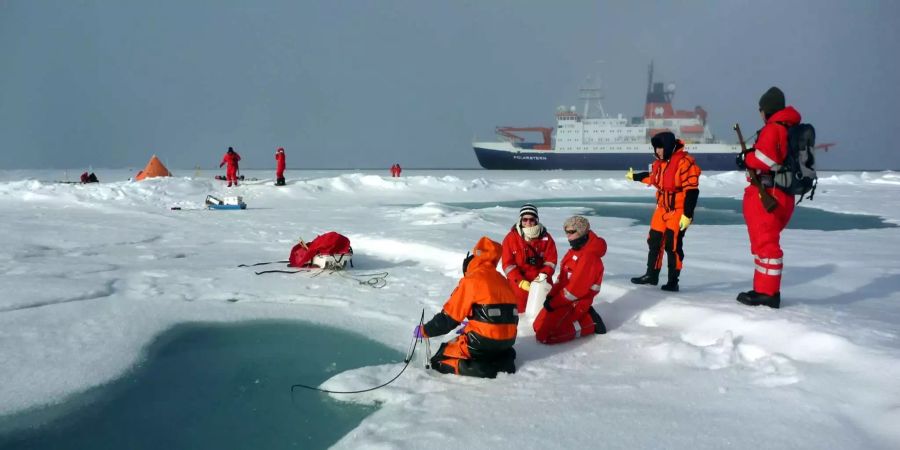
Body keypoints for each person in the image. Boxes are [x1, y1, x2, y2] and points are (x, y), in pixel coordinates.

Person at [734, 87, 802, 309]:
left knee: (766, 245)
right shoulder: (790, 128)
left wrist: (746, 158)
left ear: (766, 110)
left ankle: (767, 294)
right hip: (783, 195)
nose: (760, 114)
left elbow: (765, 159)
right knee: (765, 243)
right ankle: (763, 289)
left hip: (768, 195)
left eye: (761, 110)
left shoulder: (774, 129)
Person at [414, 236, 518, 378]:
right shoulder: (502, 280)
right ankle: (503, 361)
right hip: (508, 341)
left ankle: (481, 369)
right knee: (493, 350)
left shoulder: (471, 280)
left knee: (439, 357)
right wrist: (473, 321)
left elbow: (448, 319)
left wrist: (425, 330)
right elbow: (500, 311)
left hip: (481, 342)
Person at [626, 131, 701, 292]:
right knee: (653, 241)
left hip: (678, 210)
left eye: (660, 147)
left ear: (668, 146)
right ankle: (651, 275)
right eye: (655, 148)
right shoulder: (660, 164)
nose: (657, 151)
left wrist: (687, 215)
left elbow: (692, 191)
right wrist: (635, 177)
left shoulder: (685, 163)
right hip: (662, 209)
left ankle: (673, 281)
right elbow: (652, 177)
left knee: (672, 245)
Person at [533, 216, 607, 344]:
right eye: (566, 232)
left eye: (572, 232)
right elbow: (562, 279)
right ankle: (581, 317)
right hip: (564, 299)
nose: (568, 236)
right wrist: (551, 296)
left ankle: (590, 322)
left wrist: (553, 303)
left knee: (545, 336)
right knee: (537, 326)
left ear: (582, 232)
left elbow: (574, 291)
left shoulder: (589, 257)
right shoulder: (574, 251)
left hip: (578, 301)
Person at [501, 204, 558, 313]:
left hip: (541, 282)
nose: (528, 223)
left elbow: (551, 261)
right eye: (525, 219)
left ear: (536, 220)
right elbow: (507, 265)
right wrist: (521, 282)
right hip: (519, 283)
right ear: (520, 220)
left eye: (531, 219)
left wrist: (543, 276)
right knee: (519, 313)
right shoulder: (511, 238)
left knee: (542, 312)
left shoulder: (546, 238)